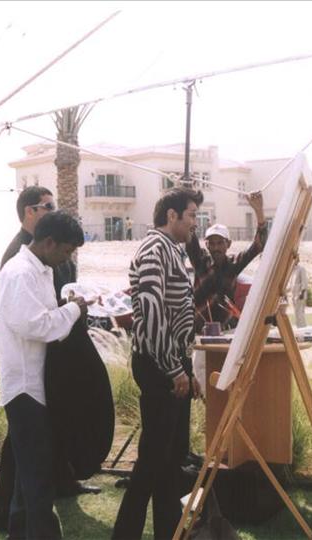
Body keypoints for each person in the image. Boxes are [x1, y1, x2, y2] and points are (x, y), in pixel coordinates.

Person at [0, 186, 92, 533]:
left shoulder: (42, 270)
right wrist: (73, 310)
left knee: (27, 484)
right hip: (25, 390)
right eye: (66, 251)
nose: (67, 259)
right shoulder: (19, 273)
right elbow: (35, 325)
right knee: (37, 483)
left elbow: (49, 321)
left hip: (40, 387)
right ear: (49, 242)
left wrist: (66, 312)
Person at [112, 188, 203, 540]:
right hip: (157, 363)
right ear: (171, 215)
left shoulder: (172, 250)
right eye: (191, 215)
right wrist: (175, 369)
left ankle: (168, 531)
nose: (195, 223)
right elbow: (151, 315)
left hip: (171, 361)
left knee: (169, 459)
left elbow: (174, 315)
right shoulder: (154, 250)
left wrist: (186, 368)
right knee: (153, 459)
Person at [186, 191, 268, 334]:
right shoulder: (200, 261)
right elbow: (190, 235)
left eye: (220, 243)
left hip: (227, 330)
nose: (216, 247)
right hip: (200, 330)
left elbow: (258, 245)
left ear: (228, 244)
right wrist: (189, 202)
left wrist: (258, 210)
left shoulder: (234, 264)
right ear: (207, 245)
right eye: (212, 243)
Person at [290, 255, 309, 328]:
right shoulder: (293, 270)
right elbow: (292, 283)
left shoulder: (301, 269)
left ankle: (302, 328)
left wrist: (302, 293)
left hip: (300, 295)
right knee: (296, 313)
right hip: (294, 295)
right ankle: (299, 327)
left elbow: (304, 282)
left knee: (300, 312)